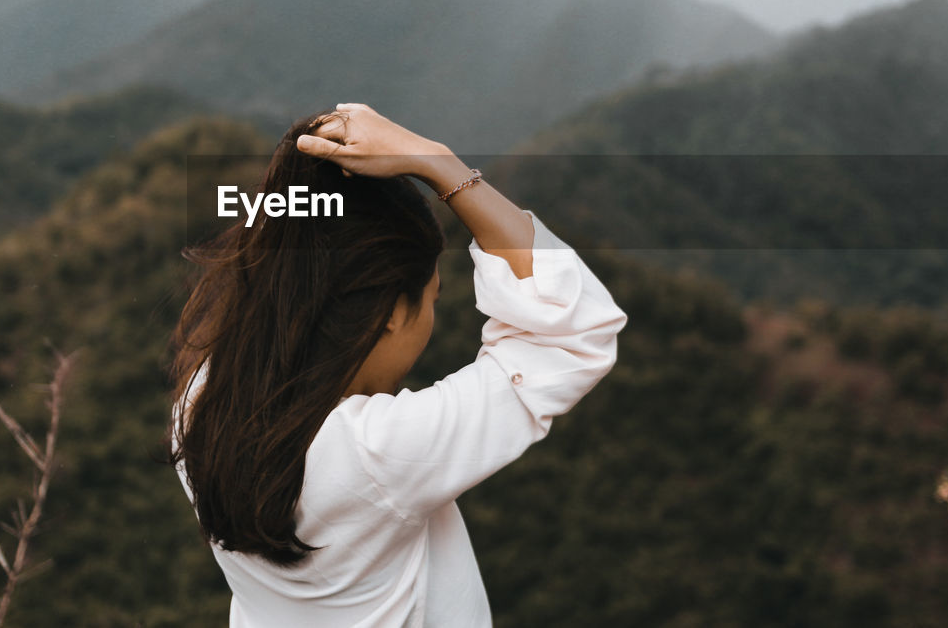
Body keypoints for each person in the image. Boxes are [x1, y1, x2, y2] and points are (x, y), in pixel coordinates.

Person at [168, 103, 627, 626]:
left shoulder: (201, 401)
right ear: (390, 312)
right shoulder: (376, 455)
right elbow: (575, 331)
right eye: (432, 297)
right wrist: (438, 163)